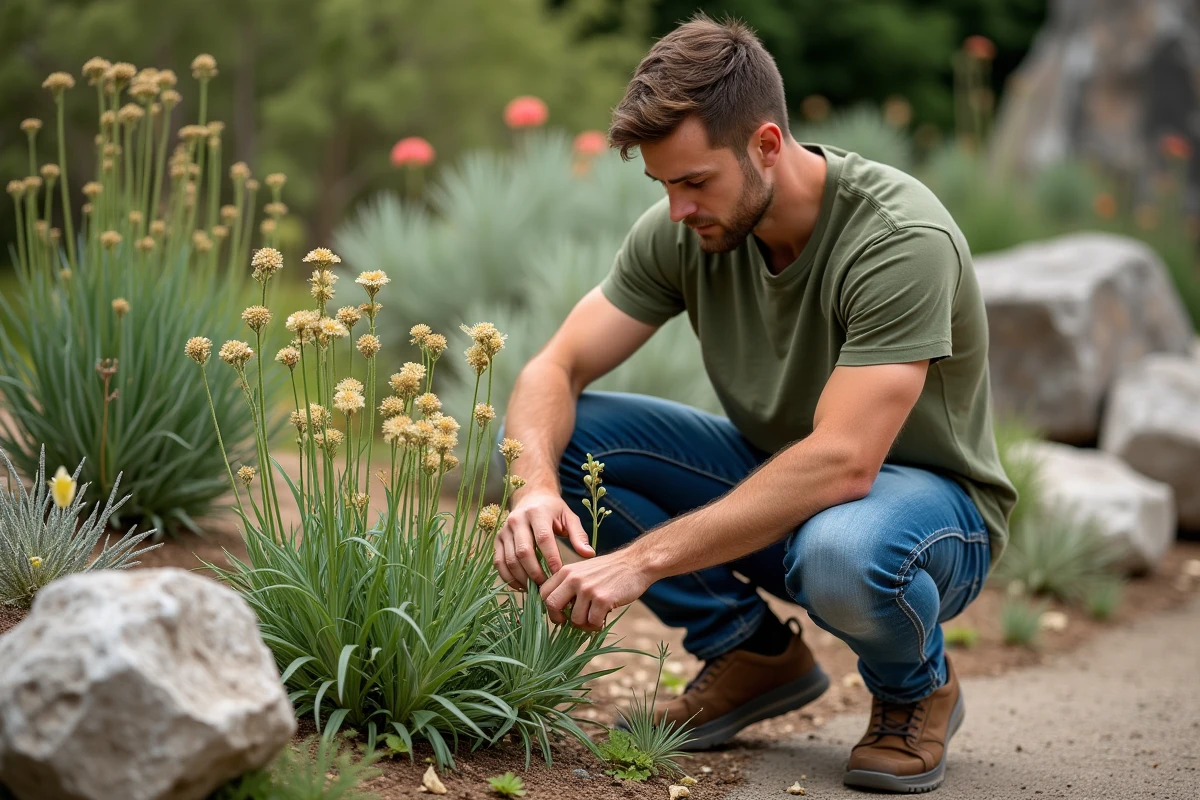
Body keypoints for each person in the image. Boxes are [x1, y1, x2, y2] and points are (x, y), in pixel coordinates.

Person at [493, 14, 1017, 795]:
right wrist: (533, 485)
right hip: (789, 488)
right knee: (575, 441)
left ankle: (917, 691)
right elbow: (554, 366)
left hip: (928, 518)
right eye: (663, 185)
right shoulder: (686, 228)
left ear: (766, 144)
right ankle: (749, 653)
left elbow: (843, 462)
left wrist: (637, 562)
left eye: (694, 181)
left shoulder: (899, 239)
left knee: (842, 551)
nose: (676, 209)